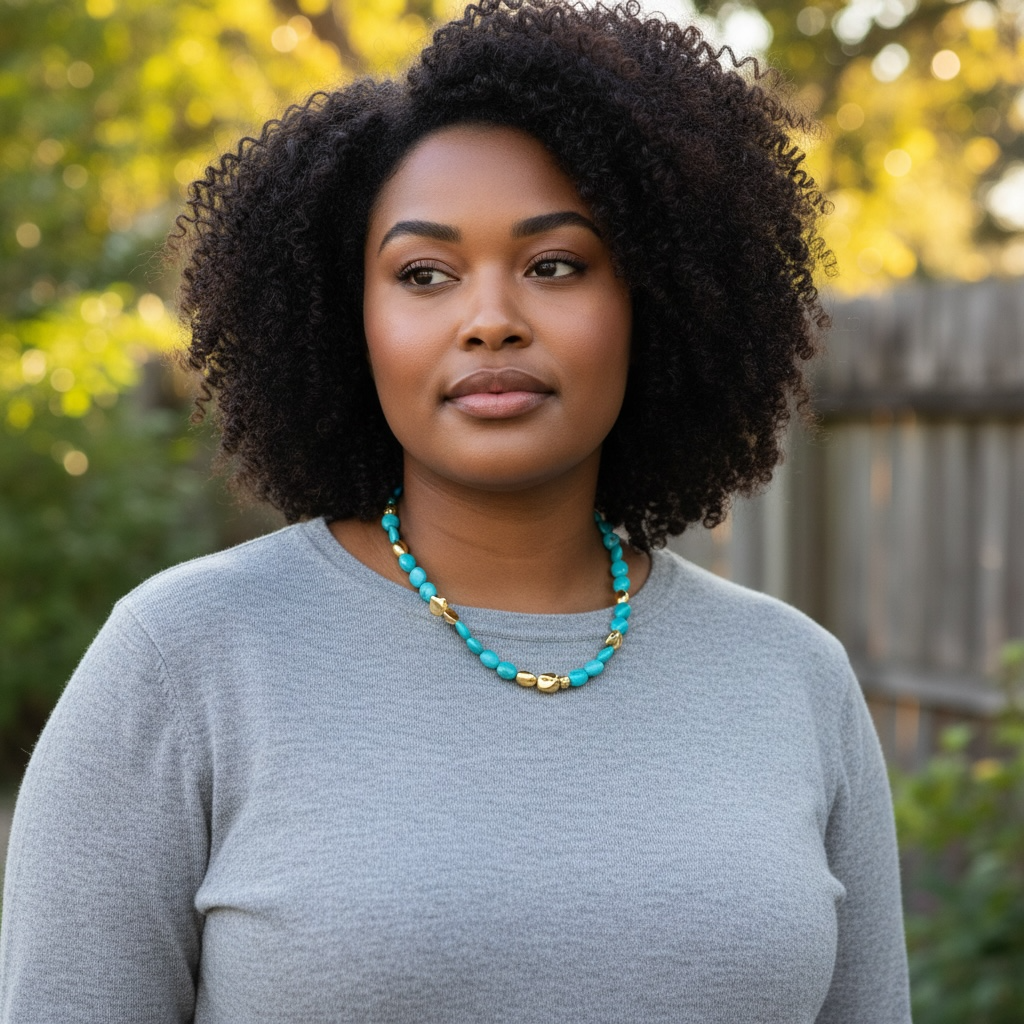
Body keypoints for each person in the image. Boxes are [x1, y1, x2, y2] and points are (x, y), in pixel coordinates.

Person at [0, 1, 911, 1020]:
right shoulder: (184, 661)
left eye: (554, 264)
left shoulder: (793, 680)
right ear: (349, 322)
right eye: (423, 274)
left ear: (653, 300)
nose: (490, 320)